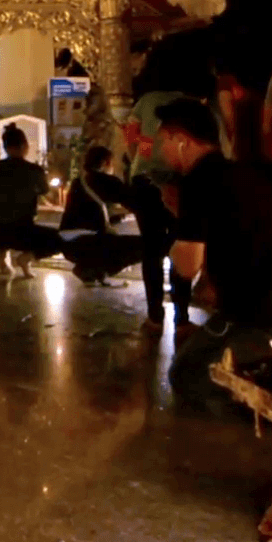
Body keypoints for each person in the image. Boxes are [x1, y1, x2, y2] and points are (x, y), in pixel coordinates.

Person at [157, 99, 272, 412]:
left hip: (265, 321)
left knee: (186, 375)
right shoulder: (245, 175)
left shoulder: (196, 181)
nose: (160, 150)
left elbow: (187, 266)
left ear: (181, 141)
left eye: (163, 140)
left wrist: (181, 227)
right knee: (198, 357)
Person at [122, 54, 203, 340]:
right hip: (180, 183)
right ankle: (182, 318)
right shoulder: (190, 103)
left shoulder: (146, 101)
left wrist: (139, 163)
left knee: (152, 251)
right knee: (182, 247)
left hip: (145, 182)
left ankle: (155, 316)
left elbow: (130, 138)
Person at [0, 124, 63, 277]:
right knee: (60, 239)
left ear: (5, 147)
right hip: (21, 231)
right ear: (25, 146)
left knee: (1, 218)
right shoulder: (33, 170)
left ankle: (3, 257)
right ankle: (26, 258)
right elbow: (45, 192)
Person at [56, 145, 142, 283]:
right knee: (145, 245)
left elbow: (89, 219)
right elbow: (134, 202)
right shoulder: (107, 181)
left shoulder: (78, 182)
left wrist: (121, 217)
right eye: (111, 163)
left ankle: (91, 270)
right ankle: (95, 269)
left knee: (110, 239)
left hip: (67, 245)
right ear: (105, 163)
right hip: (89, 244)